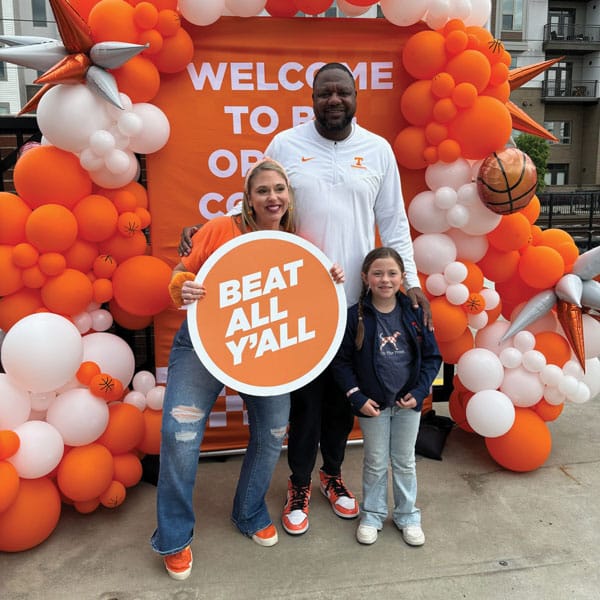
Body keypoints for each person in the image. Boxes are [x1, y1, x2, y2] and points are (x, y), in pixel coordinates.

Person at [179, 62, 432, 536]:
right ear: (311, 99)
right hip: (296, 298)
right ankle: (297, 483)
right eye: (324, 93)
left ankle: (332, 476)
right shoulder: (286, 145)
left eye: (342, 93)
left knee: (343, 399)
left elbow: (394, 222)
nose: (333, 100)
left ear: (356, 97)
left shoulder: (377, 150)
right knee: (304, 403)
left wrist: (410, 279)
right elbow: (261, 206)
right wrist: (205, 236)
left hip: (354, 302)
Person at [151, 159, 345, 580]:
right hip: (204, 344)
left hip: (264, 352)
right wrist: (180, 286)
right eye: (262, 191)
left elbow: (307, 305)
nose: (272, 197)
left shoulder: (298, 242)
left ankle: (250, 509)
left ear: (288, 196)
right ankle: (174, 537)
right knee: (179, 433)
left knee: (274, 428)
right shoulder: (220, 229)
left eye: (279, 189)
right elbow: (181, 274)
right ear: (248, 197)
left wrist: (329, 278)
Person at [331, 247, 442, 546]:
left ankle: (408, 516)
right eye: (377, 273)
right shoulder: (355, 316)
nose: (385, 280)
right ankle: (372, 514)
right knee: (376, 461)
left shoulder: (416, 313)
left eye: (392, 273)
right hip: (374, 407)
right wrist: (356, 396)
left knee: (405, 461)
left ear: (402, 277)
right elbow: (340, 362)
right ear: (365, 277)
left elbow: (433, 357)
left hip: (408, 405)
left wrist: (419, 392)